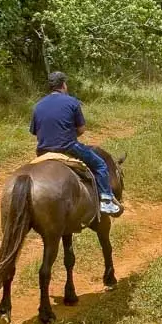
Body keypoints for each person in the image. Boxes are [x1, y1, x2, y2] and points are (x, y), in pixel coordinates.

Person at [30, 72, 122, 216]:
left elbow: (35, 132)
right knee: (100, 165)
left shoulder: (38, 105)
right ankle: (106, 201)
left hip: (42, 151)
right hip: (68, 148)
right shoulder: (72, 102)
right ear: (64, 85)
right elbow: (81, 129)